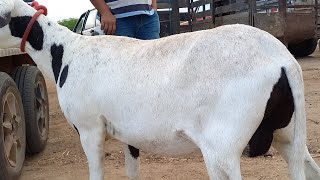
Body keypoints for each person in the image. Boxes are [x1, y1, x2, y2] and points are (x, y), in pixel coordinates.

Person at [90, 0, 160, 40]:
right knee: (120, 61)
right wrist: (105, 12)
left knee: (151, 59)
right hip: (117, 19)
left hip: (148, 16)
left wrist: (153, 5)